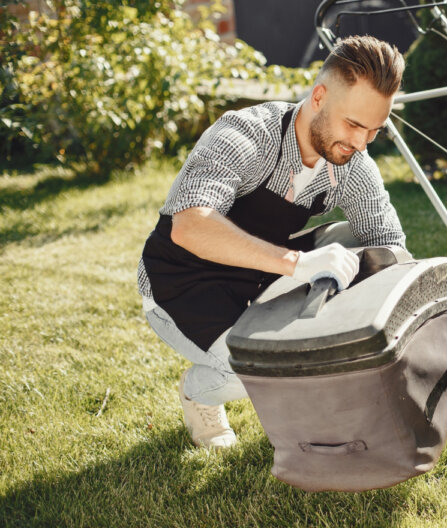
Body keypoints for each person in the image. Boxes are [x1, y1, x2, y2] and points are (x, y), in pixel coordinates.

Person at [137, 36, 406, 450]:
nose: (361, 143)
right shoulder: (245, 133)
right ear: (319, 97)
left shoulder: (353, 164)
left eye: (374, 130)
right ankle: (198, 390)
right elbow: (188, 225)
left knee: (372, 251)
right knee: (261, 372)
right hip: (181, 283)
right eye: (353, 124)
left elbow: (391, 246)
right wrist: (298, 263)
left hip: (260, 273)